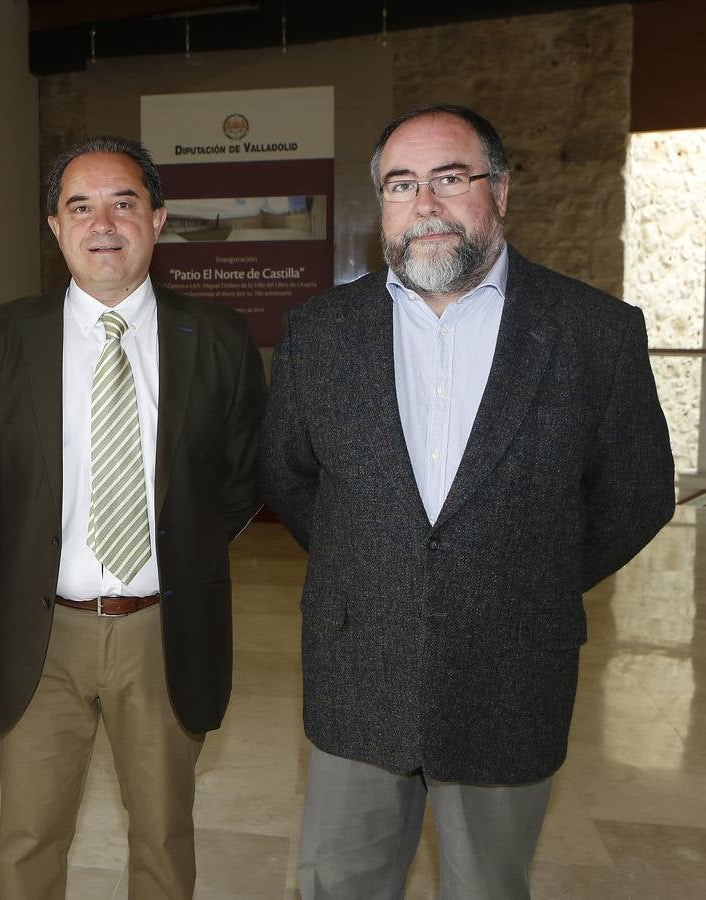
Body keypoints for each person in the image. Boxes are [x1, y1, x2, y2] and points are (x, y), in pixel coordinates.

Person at [260, 104, 675, 900]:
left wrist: (527, 575)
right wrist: (376, 562)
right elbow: (289, 478)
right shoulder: (318, 333)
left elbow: (634, 492)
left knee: (487, 885)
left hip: (511, 669)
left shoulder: (593, 332)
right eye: (400, 184)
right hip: (359, 665)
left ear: (500, 191)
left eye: (449, 178)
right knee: (339, 881)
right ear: (381, 203)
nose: (424, 204)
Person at [0, 135, 266, 899]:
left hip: (163, 630)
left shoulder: (219, 338)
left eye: (122, 204)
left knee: (162, 837)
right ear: (54, 227)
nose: (102, 224)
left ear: (157, 219)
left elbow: (240, 477)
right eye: (80, 207)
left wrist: (183, 549)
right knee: (28, 838)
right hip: (38, 633)